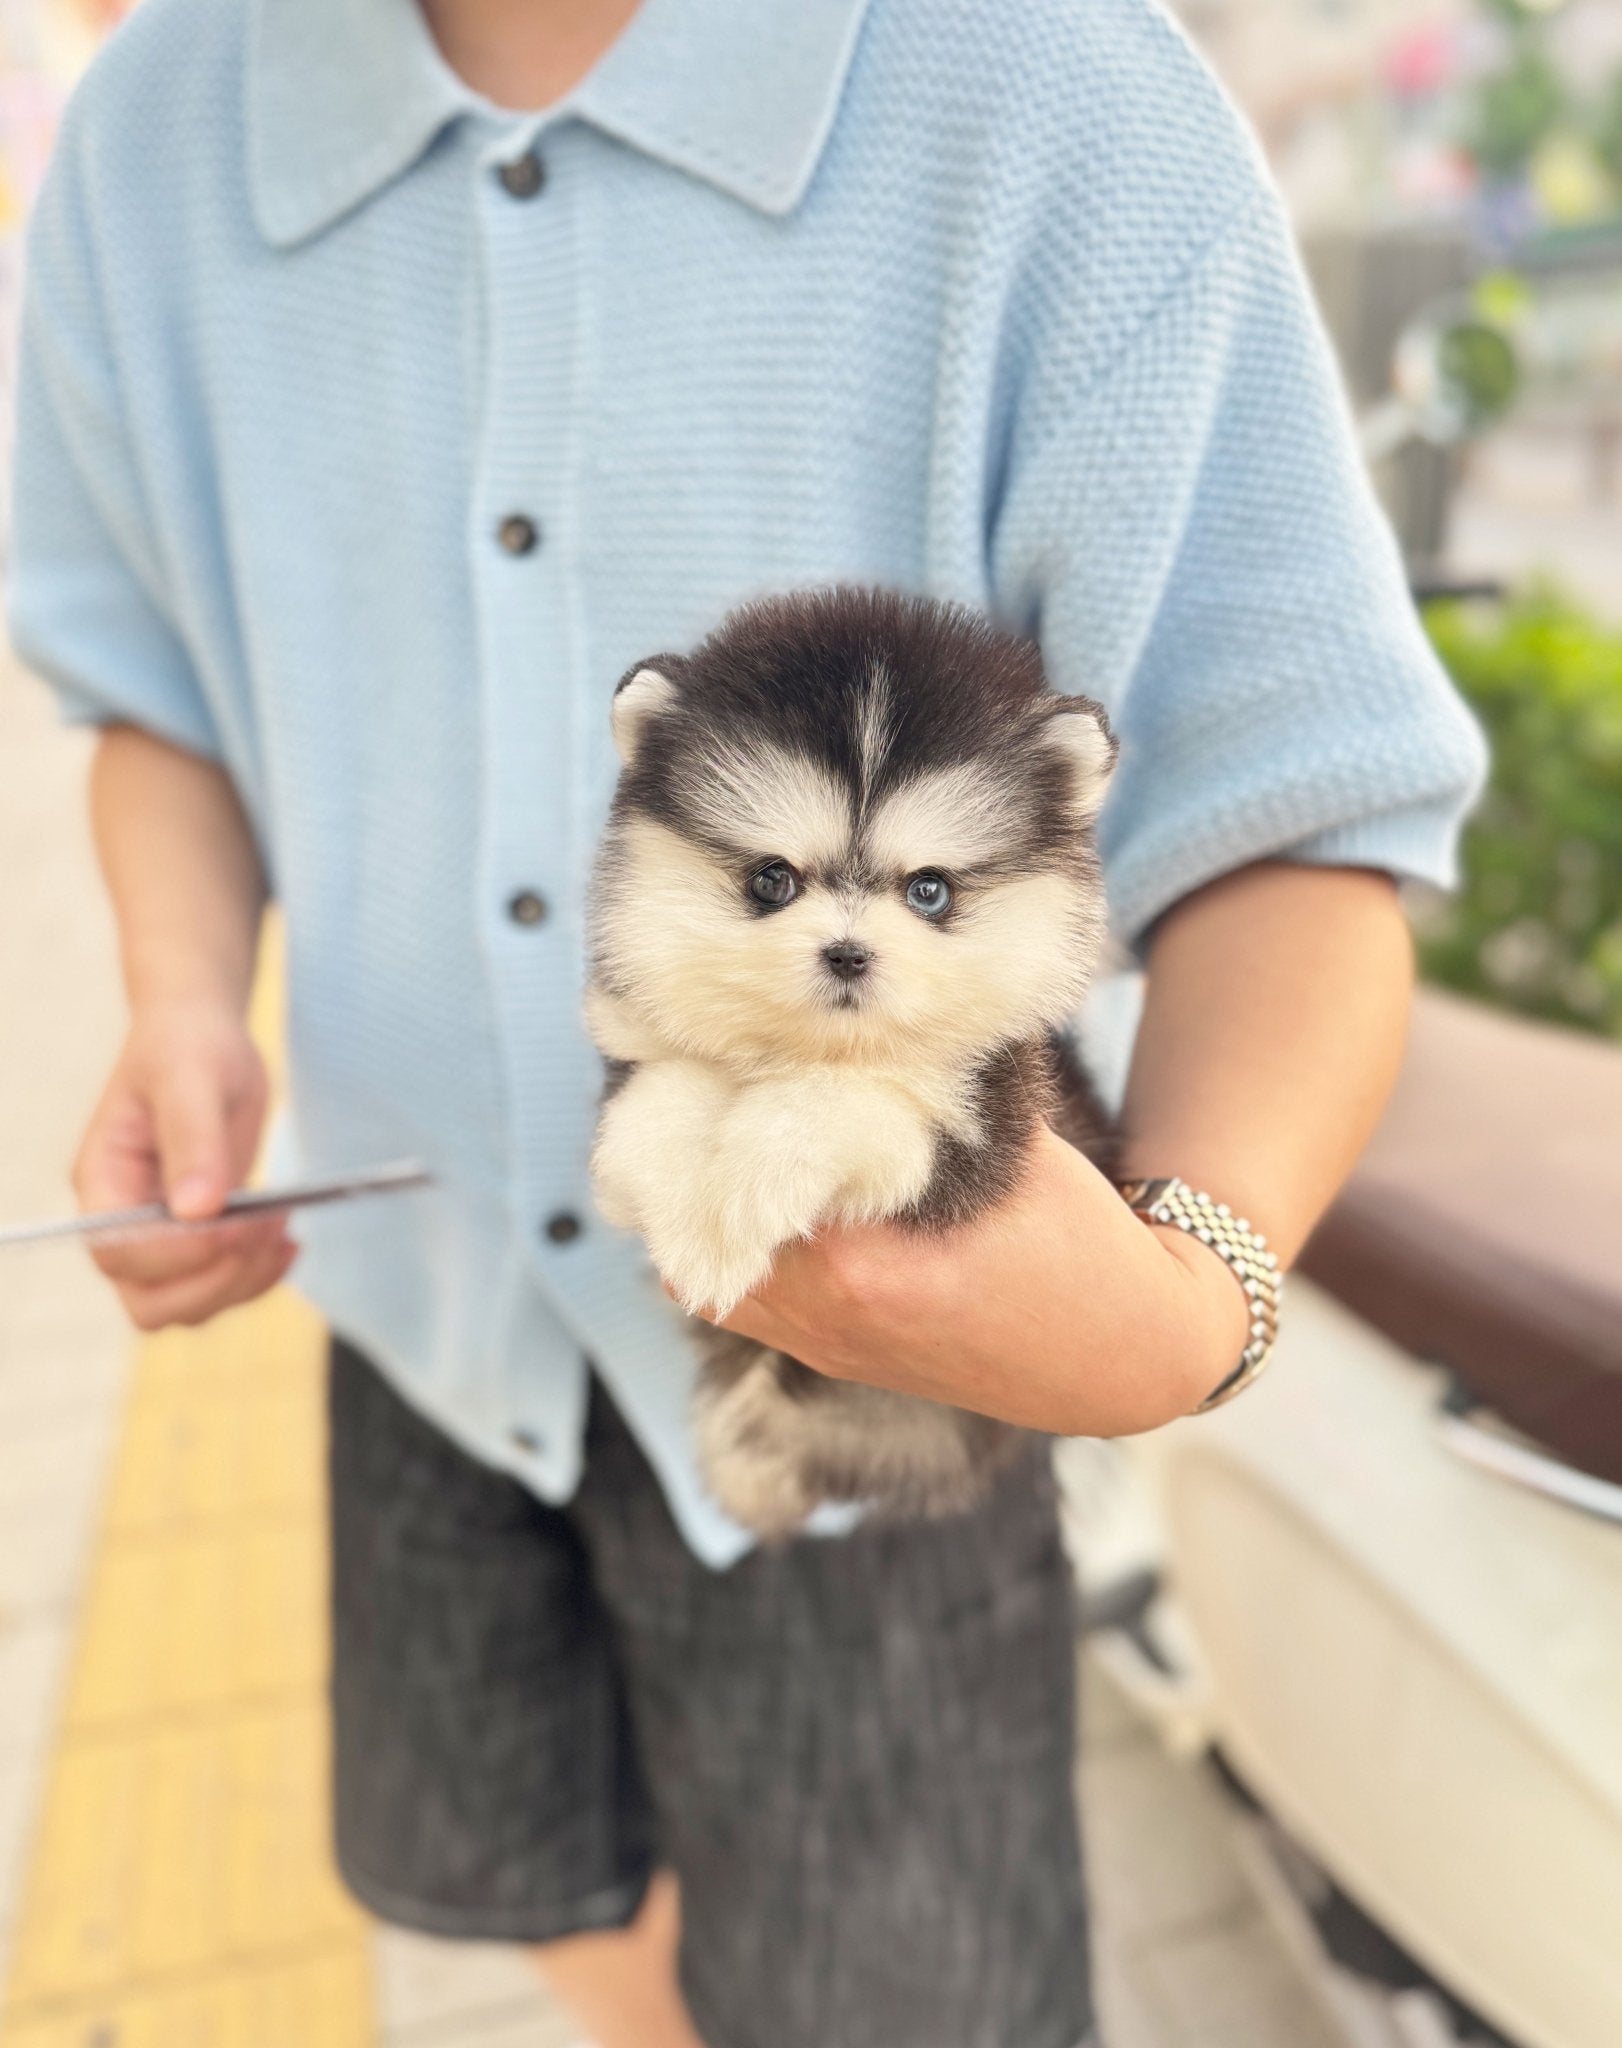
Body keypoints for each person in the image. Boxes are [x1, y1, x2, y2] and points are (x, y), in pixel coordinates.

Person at [8, 0, 1486, 2044]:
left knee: (899, 1999)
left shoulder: (1047, 92)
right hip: (417, 1307)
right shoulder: (159, 122)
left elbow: (1295, 822)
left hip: (906, 1378)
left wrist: (1183, 1303)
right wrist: (183, 1003)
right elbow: (158, 677)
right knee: (523, 1875)